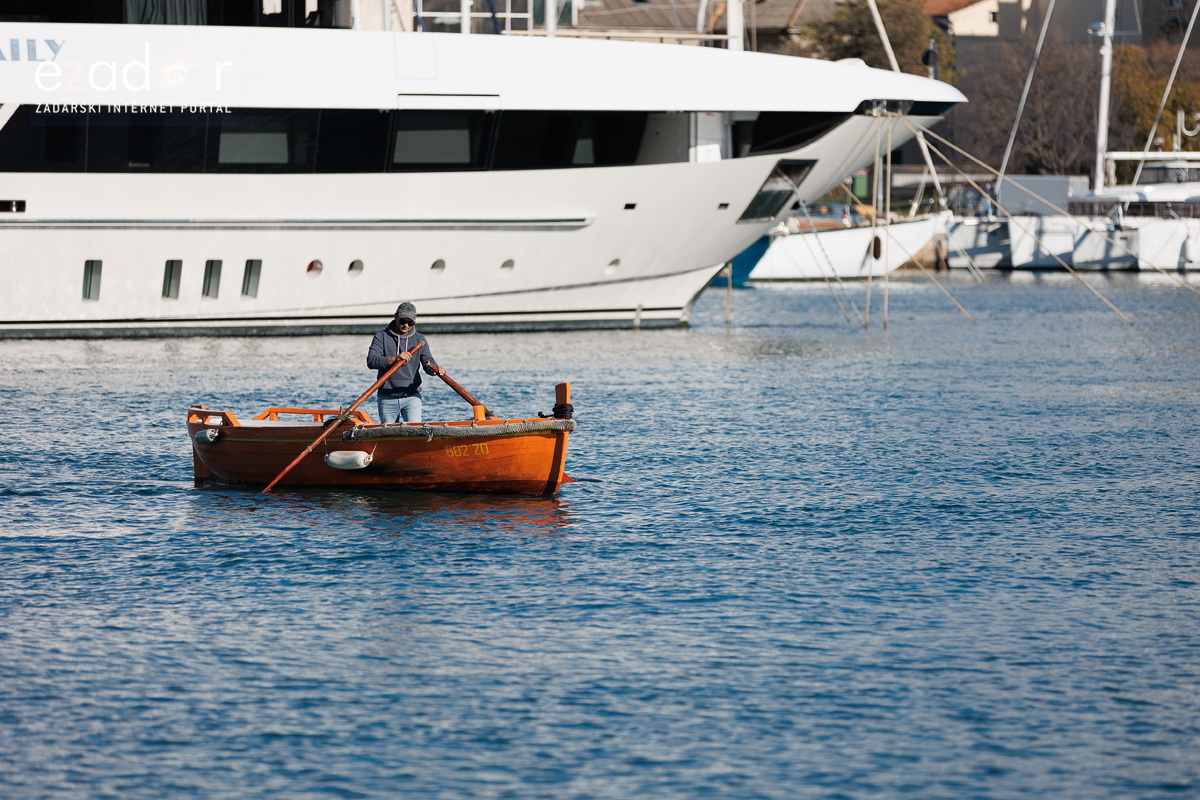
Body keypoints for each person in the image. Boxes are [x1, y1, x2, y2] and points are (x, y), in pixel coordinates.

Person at [366, 302, 445, 423]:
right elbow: (371, 361)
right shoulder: (381, 336)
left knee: (414, 432)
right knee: (389, 438)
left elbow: (428, 362)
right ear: (396, 316)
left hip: (412, 397)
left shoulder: (420, 339)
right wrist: (395, 359)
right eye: (403, 321)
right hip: (387, 398)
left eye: (410, 323)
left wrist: (436, 370)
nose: (406, 325)